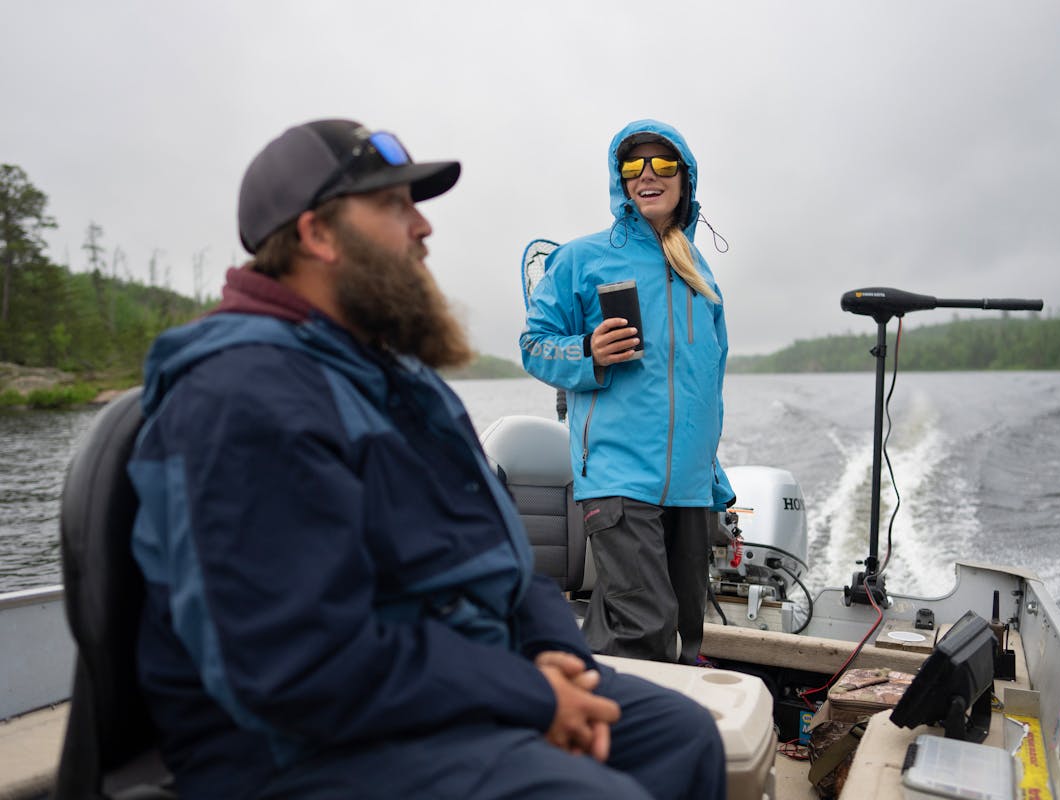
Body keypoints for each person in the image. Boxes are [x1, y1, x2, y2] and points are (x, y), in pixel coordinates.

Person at [127, 118, 725, 800]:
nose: (424, 227)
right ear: (317, 234)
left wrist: (555, 655)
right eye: (394, 206)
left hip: (450, 680)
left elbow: (507, 562)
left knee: (681, 735)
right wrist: (529, 695)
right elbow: (298, 662)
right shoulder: (243, 395)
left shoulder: (402, 382)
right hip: (304, 746)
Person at [520, 119, 735, 665]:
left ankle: (619, 726)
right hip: (617, 474)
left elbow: (710, 383)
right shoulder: (581, 258)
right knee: (643, 623)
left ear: (684, 178)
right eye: (633, 165)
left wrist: (711, 472)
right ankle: (625, 741)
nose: (647, 175)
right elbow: (533, 345)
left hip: (689, 486)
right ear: (620, 181)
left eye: (662, 164)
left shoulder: (698, 272)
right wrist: (587, 353)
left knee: (687, 633)